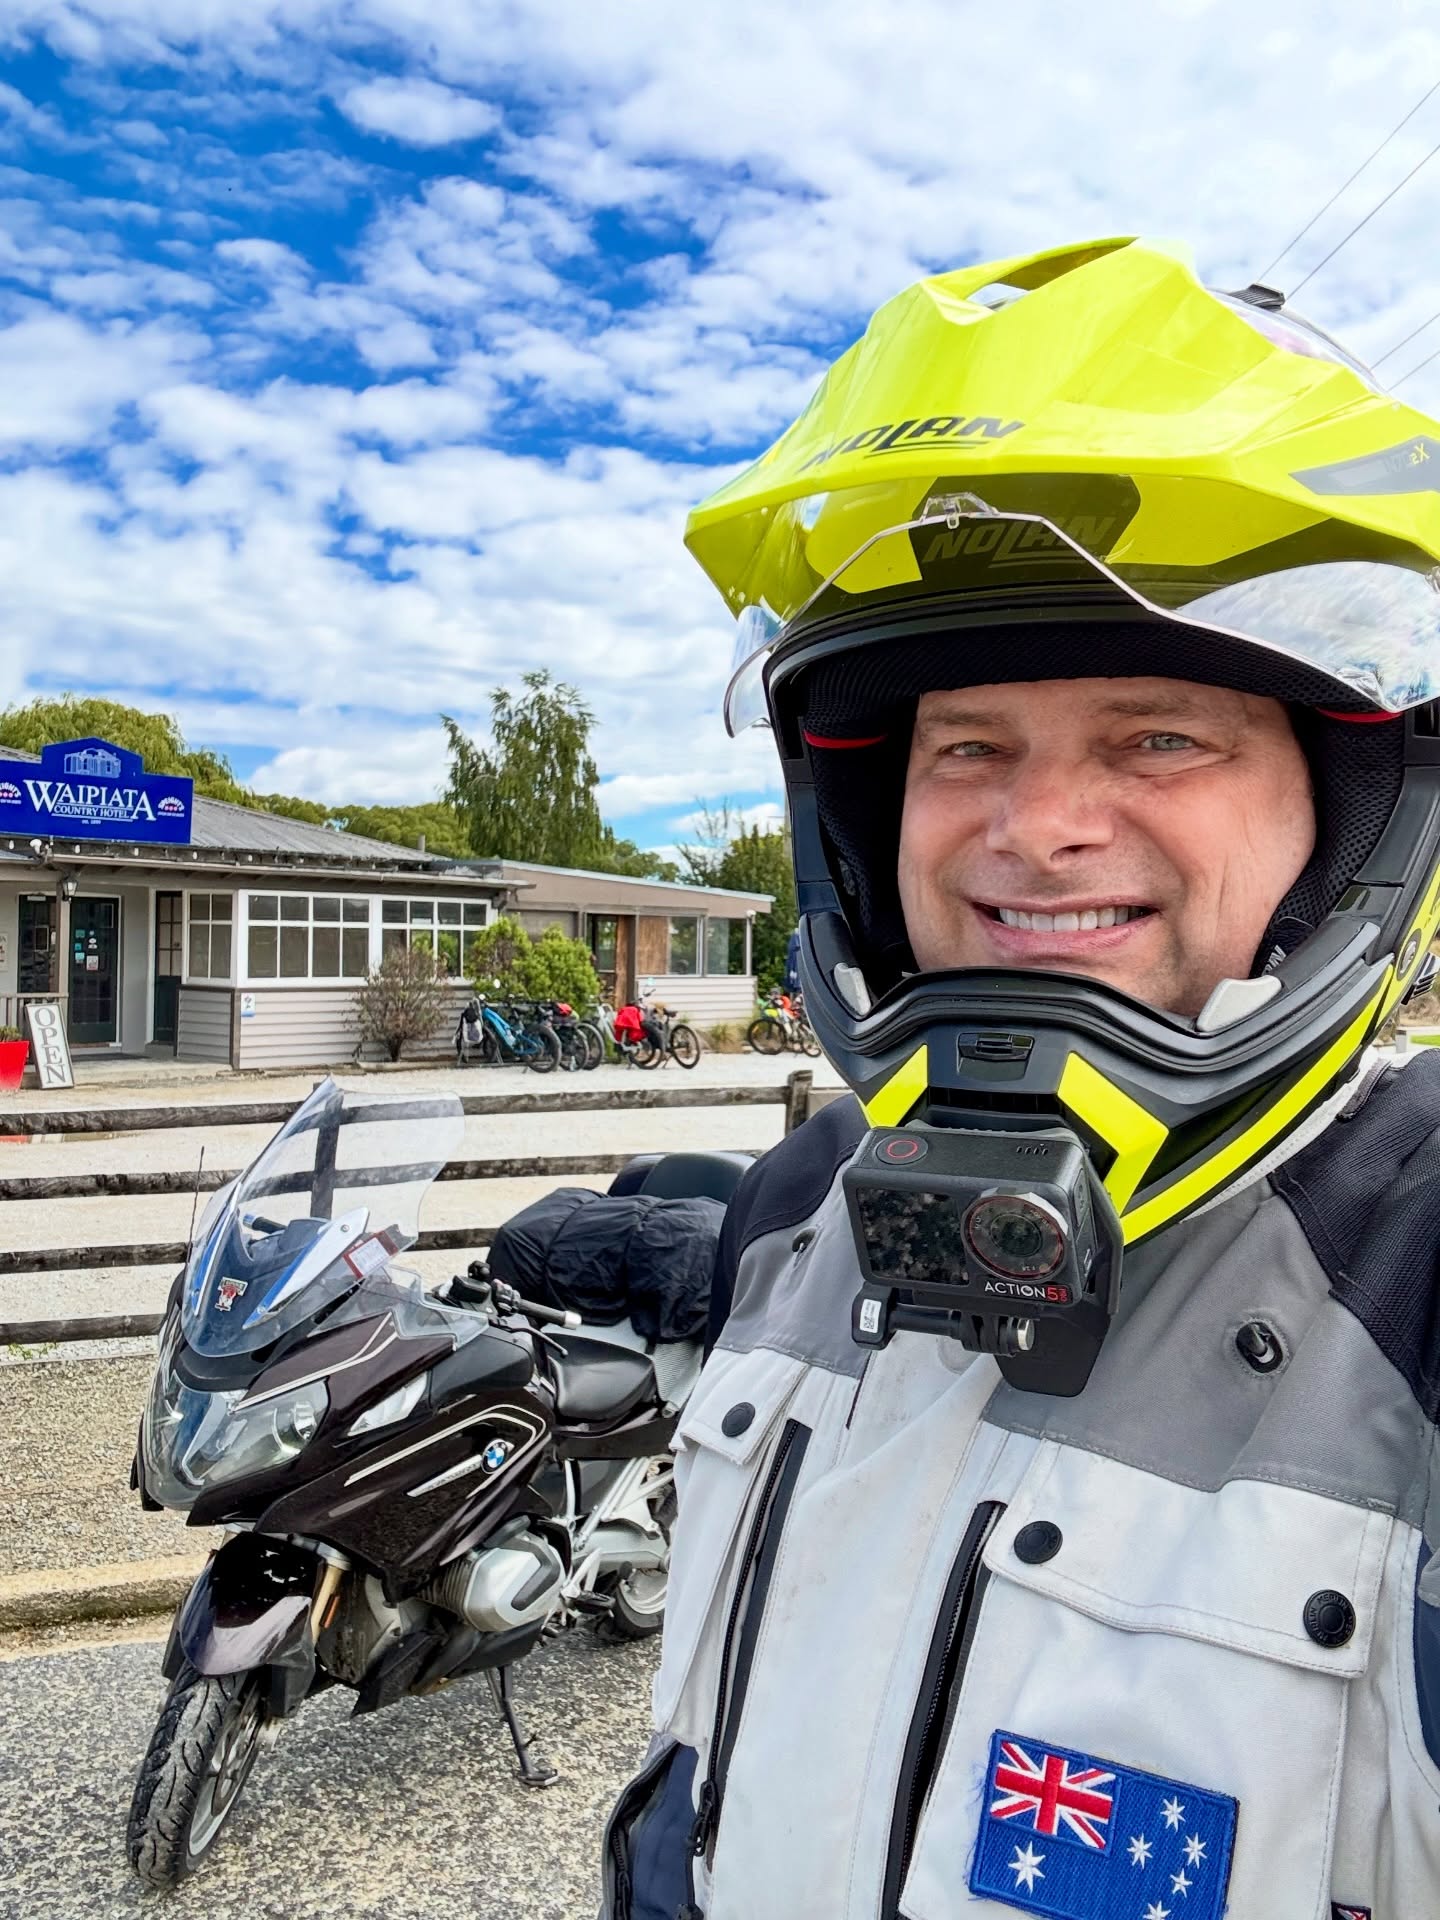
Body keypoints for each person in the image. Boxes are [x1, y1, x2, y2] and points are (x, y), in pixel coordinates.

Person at [599, 238, 1440, 1920]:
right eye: (967, 743)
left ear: (1348, 819)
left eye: (1160, 735)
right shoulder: (799, 1209)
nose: (1036, 826)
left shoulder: (1416, 1273)